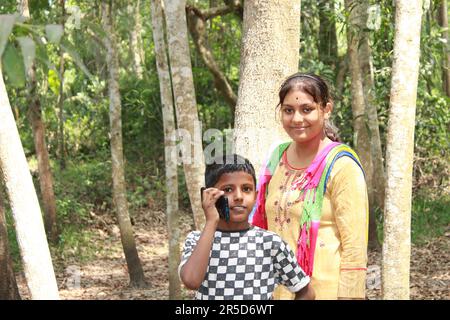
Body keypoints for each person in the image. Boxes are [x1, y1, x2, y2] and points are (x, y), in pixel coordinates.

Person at [251, 72, 369, 300]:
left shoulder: (342, 165)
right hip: (275, 291)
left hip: (326, 292)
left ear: (326, 109)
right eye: (288, 110)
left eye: (307, 109)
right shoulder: (276, 158)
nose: (296, 118)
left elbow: (354, 247)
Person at [179, 154, 315, 300]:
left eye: (246, 189)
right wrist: (211, 220)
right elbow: (191, 281)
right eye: (228, 189)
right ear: (209, 195)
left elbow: (306, 292)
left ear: (256, 196)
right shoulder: (197, 240)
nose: (239, 196)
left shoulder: (269, 242)